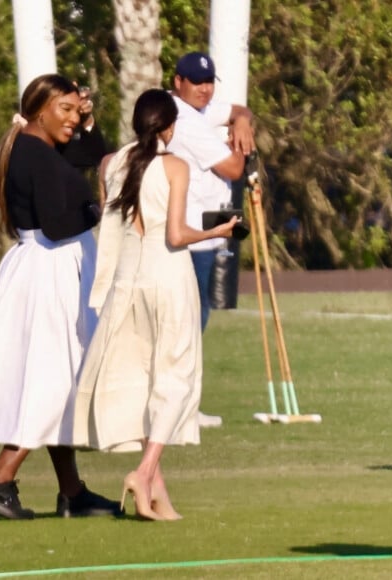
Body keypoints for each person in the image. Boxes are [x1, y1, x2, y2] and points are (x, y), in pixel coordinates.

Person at [0, 74, 121, 520]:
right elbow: (59, 224)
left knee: (64, 375)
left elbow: (92, 153)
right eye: (64, 109)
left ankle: (72, 492)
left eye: (75, 110)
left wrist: (89, 116)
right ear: (39, 109)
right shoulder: (34, 154)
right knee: (57, 380)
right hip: (50, 270)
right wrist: (106, 207)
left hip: (49, 267)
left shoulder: (37, 145)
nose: (72, 119)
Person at [73, 89, 238, 520]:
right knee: (176, 375)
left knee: (148, 377)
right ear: (169, 127)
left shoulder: (112, 164)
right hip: (167, 277)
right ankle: (144, 472)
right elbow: (177, 236)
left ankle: (157, 491)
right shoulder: (174, 166)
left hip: (126, 281)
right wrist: (219, 230)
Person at [168, 51, 254, 428]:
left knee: (196, 319)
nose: (204, 89)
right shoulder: (183, 121)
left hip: (205, 228)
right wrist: (241, 142)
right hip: (188, 232)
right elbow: (234, 168)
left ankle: (184, 404)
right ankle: (178, 407)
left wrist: (243, 121)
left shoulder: (200, 110)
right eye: (195, 82)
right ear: (178, 83)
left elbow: (237, 108)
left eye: (208, 81)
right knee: (186, 323)